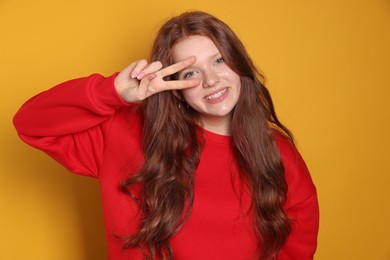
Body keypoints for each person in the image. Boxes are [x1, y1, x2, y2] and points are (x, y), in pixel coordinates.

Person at [13, 11, 319, 260]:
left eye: (219, 60)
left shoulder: (277, 151)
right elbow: (30, 122)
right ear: (174, 88)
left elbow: (299, 238)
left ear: (240, 65)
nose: (211, 80)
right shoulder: (126, 134)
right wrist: (113, 92)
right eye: (190, 73)